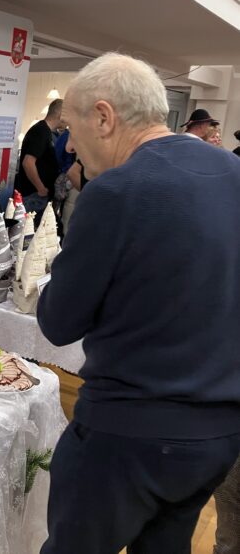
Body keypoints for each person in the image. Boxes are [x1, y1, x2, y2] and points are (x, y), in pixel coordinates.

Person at [37, 52, 240, 554]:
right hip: (216, 436)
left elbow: (59, 322)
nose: (70, 146)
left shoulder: (116, 191)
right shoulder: (232, 171)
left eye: (73, 131)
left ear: (104, 117)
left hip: (126, 435)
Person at [14, 99, 63, 220]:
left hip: (38, 195)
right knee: (29, 230)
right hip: (33, 196)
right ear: (60, 114)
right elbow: (28, 162)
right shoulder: (41, 131)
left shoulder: (47, 132)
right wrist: (40, 188)